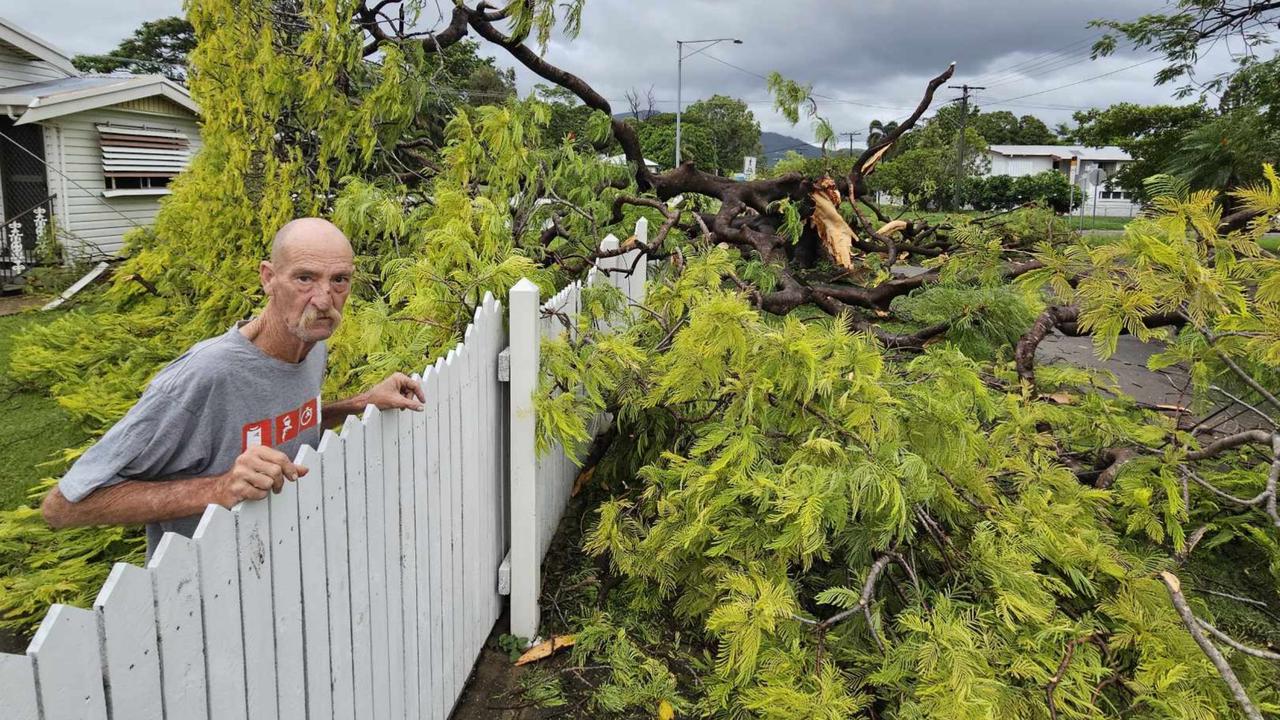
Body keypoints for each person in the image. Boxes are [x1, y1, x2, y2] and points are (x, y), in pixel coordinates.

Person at [41, 218, 425, 556]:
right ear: (268, 278)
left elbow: (283, 423)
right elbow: (63, 507)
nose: (324, 299)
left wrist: (360, 403)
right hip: (206, 593)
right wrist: (220, 488)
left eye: (339, 280)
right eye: (304, 278)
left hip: (277, 567)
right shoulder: (202, 377)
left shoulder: (312, 345)